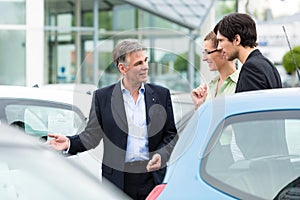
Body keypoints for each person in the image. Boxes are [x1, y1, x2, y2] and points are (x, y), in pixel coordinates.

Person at [47, 39, 178, 200]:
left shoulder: (161, 95)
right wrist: (69, 143)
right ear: (122, 68)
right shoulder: (102, 98)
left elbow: (171, 135)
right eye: (138, 63)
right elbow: (92, 136)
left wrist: (161, 155)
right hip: (117, 181)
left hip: (152, 178)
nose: (145, 66)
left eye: (145, 60)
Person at [214, 12, 282, 92]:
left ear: (236, 40)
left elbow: (247, 104)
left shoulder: (251, 68)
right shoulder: (268, 65)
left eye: (221, 40)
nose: (218, 47)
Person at [191, 31, 239, 110]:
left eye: (207, 52)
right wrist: (199, 106)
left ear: (223, 51)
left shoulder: (241, 84)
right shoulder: (210, 87)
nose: (204, 58)